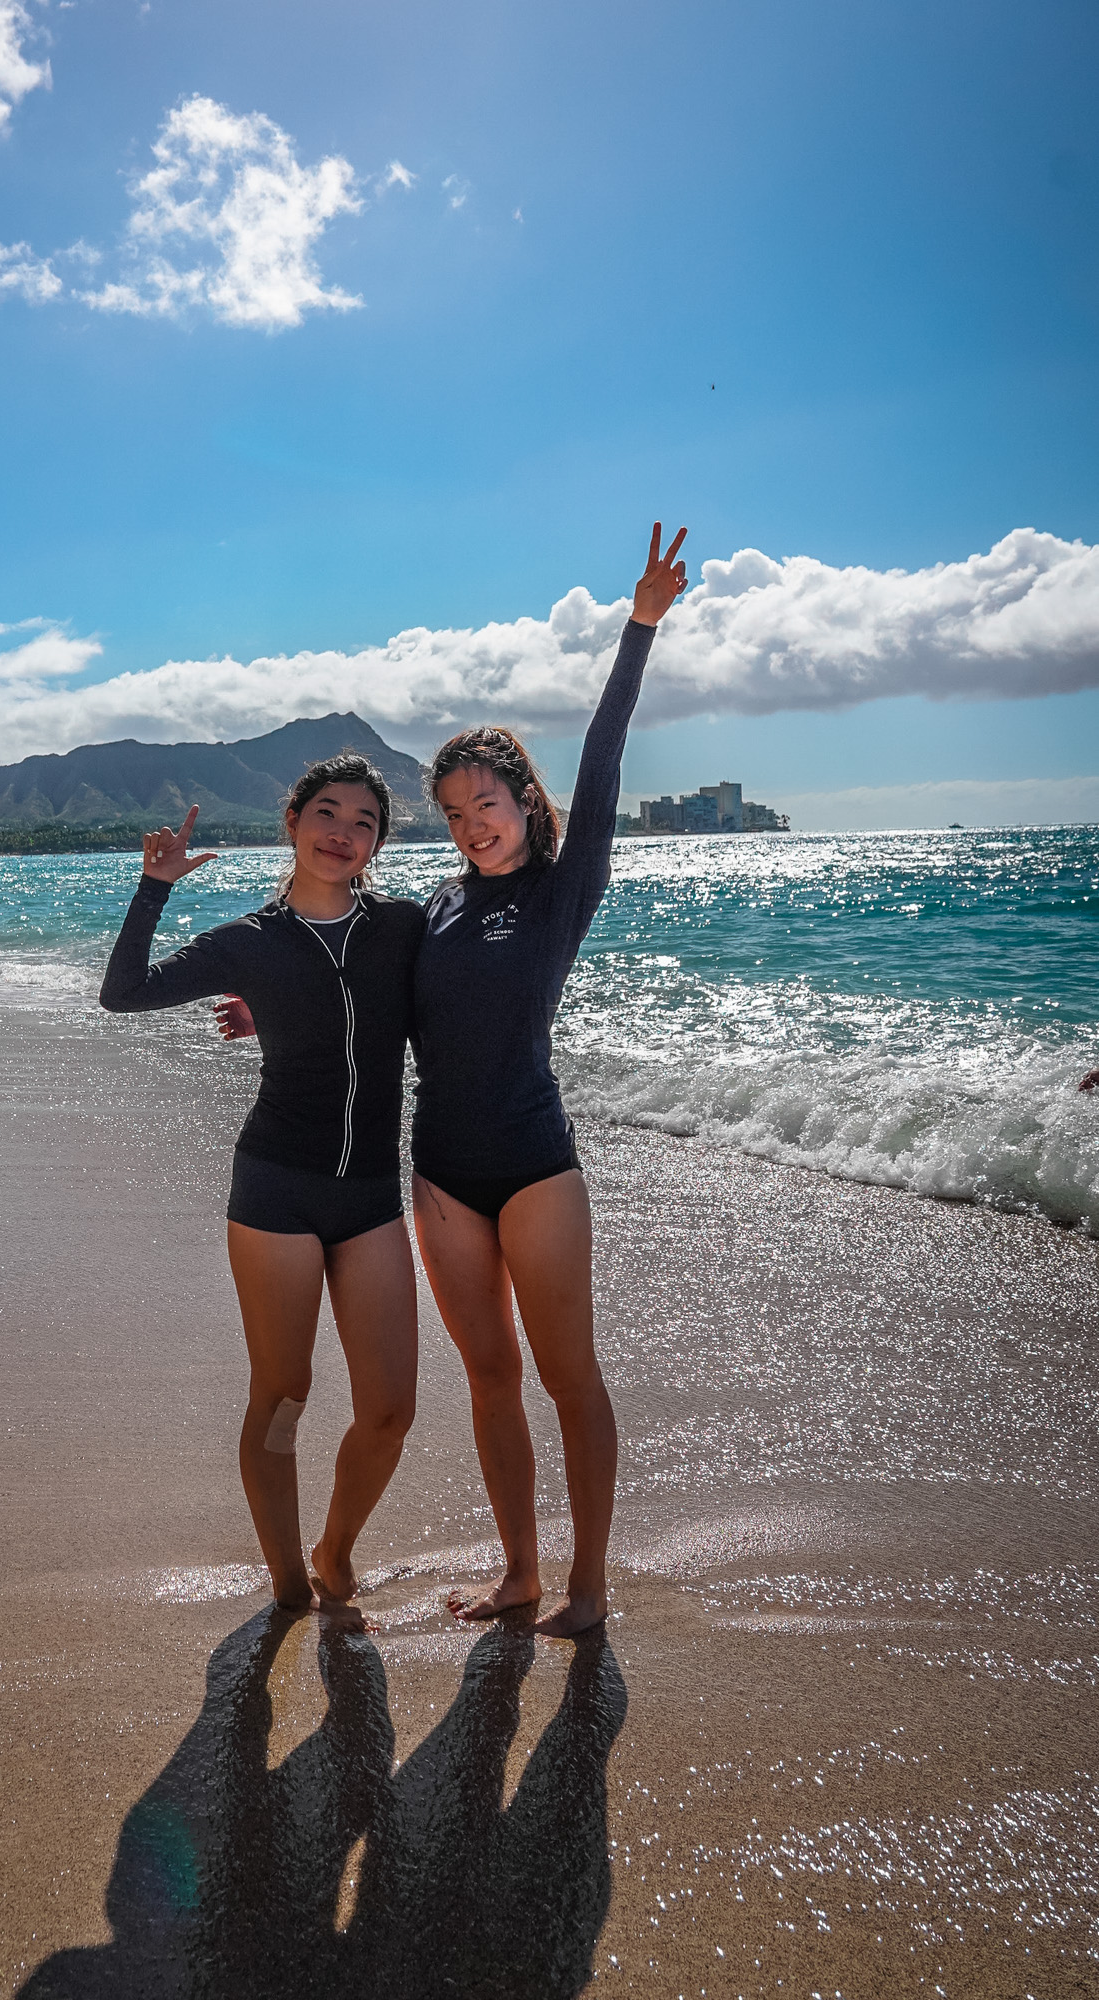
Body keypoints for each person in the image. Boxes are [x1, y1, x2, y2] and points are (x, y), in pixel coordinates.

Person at [411, 522, 688, 1637]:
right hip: (438, 1172)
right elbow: (359, 999)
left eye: (489, 802)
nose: (474, 824)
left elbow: (605, 754)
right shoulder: (428, 909)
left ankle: (587, 1585)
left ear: (524, 799)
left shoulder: (563, 889)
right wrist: (259, 1008)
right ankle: (518, 1573)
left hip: (533, 1160)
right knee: (487, 1374)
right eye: (455, 813)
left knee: (568, 1372)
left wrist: (639, 626)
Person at [98, 754, 425, 1619]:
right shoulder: (250, 940)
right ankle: (286, 1577)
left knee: (390, 1410)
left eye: (364, 821)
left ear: (380, 842)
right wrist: (154, 887)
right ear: (292, 821)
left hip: (370, 1196)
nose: (342, 833)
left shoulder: (401, 929)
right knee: (283, 1398)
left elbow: (456, 1005)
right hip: (276, 1192)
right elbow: (124, 993)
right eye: (327, 812)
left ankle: (335, 1549)